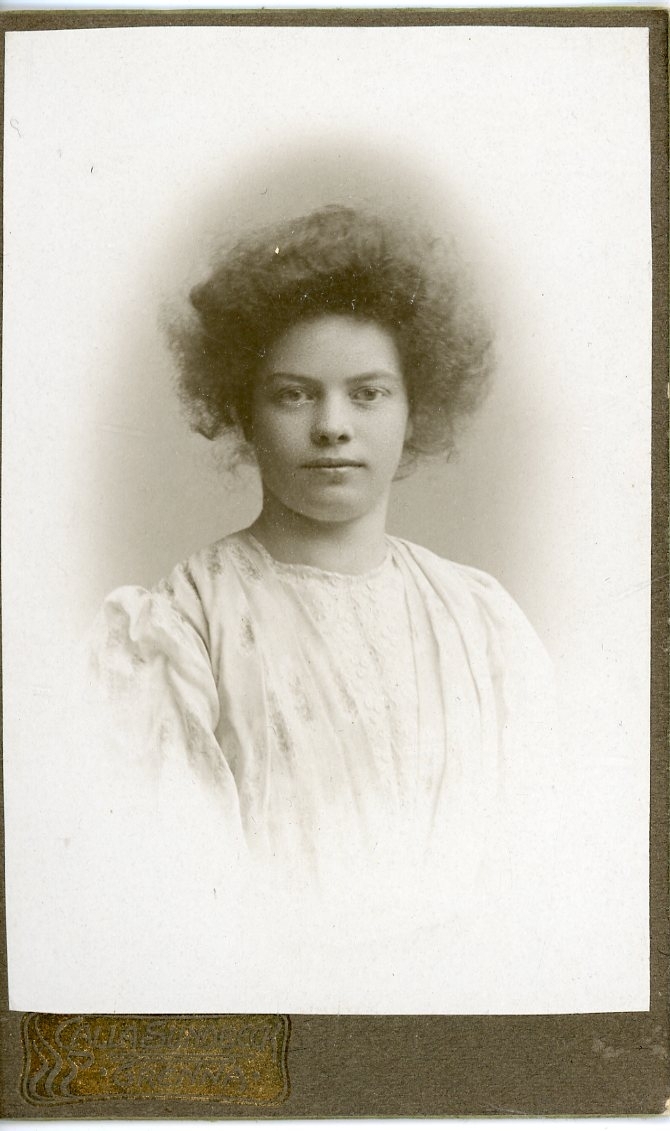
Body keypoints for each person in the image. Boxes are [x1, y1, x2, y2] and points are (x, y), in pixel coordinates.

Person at [51, 204, 563, 1011]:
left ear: (414, 409)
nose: (332, 427)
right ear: (242, 411)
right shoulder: (177, 631)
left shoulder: (484, 623)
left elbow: (542, 882)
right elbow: (171, 912)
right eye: (293, 395)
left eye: (368, 393)